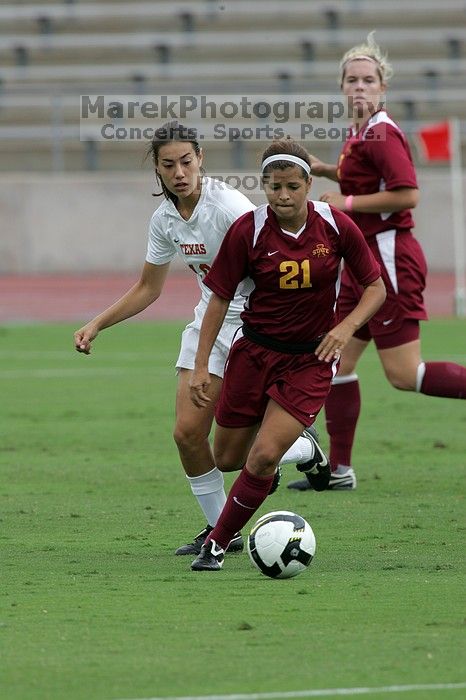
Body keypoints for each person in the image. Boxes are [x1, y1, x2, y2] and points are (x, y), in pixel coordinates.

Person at [73, 121, 329, 555]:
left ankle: (298, 446)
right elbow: (148, 288)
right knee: (188, 435)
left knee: (235, 452)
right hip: (208, 323)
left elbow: (275, 258)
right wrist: (97, 323)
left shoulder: (229, 206)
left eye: (186, 162)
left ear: (200, 160)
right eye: (168, 164)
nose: (179, 172)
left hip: (255, 325)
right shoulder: (165, 219)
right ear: (157, 169)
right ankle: (220, 532)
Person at [188, 138, 386, 571]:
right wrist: (202, 364)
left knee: (261, 458)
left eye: (292, 186)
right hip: (254, 353)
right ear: (264, 185)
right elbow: (219, 299)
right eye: (274, 186)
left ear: (308, 184)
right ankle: (306, 451)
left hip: (309, 360)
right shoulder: (249, 230)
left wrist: (346, 326)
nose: (283, 195)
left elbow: (375, 287)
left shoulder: (335, 225)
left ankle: (217, 545)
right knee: (227, 458)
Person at [287, 32, 466, 493]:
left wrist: (344, 201)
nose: (360, 87)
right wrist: (324, 169)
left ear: (383, 87)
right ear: (342, 87)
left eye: (368, 80)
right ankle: (340, 471)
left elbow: (409, 193)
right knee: (336, 364)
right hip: (363, 266)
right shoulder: (361, 132)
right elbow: (360, 175)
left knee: (405, 376)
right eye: (352, 80)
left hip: (387, 261)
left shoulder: (383, 133)